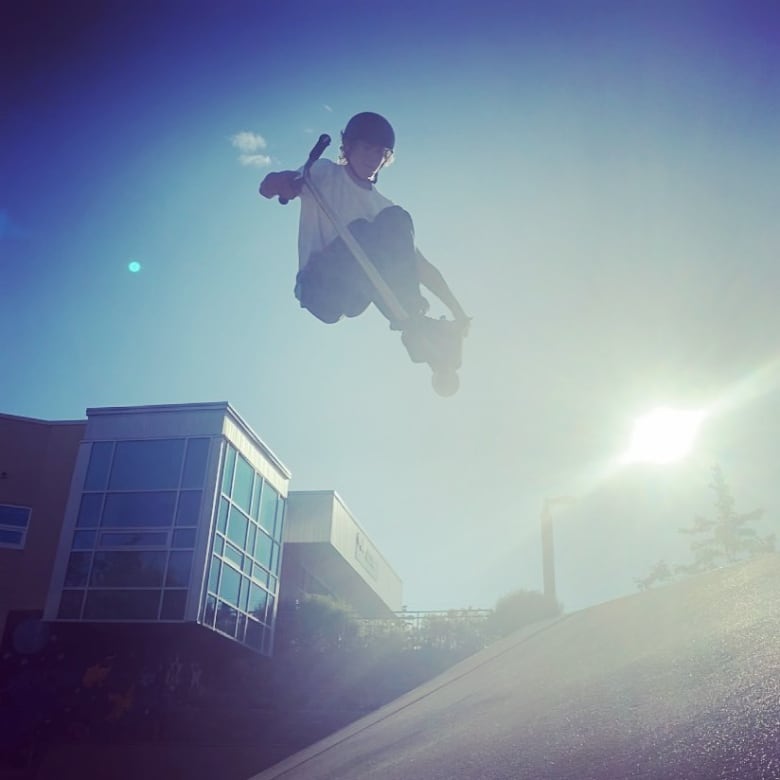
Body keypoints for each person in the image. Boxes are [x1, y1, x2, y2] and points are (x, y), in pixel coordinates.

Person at [259, 112, 470, 393]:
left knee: (396, 219)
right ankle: (412, 317)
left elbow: (420, 266)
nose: (373, 157)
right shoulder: (324, 173)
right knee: (361, 230)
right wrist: (284, 182)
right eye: (366, 148)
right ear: (347, 147)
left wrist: (458, 310)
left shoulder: (383, 207)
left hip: (353, 294)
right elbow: (267, 186)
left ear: (387, 158)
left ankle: (421, 334)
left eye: (381, 152)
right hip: (318, 287)